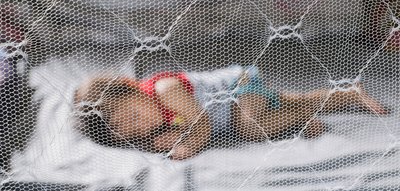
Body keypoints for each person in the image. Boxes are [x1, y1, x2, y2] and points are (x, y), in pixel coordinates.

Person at [73, 66, 388, 160]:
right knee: (288, 99)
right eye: (133, 133)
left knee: (250, 126)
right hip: (240, 101)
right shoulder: (145, 115)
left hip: (241, 87)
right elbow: (174, 125)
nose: (143, 128)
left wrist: (188, 144)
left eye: (134, 118)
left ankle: (301, 115)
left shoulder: (164, 90)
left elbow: (203, 123)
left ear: (132, 87)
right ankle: (350, 93)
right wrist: (165, 135)